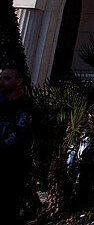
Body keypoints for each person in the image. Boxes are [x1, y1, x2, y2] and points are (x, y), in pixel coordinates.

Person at [0, 67, 33, 217]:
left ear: (19, 81)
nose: (2, 82)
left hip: (13, 169)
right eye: (1, 78)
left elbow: (20, 134)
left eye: (7, 78)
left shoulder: (27, 106)